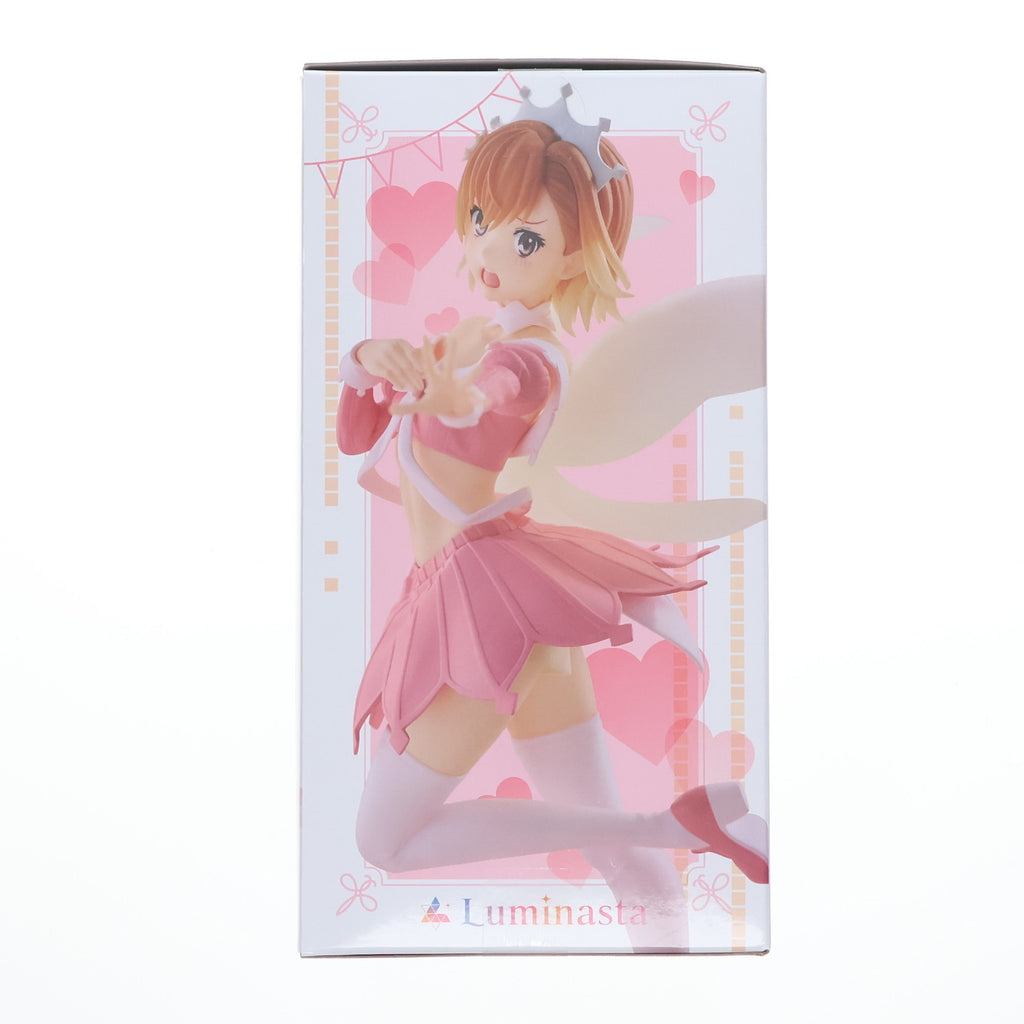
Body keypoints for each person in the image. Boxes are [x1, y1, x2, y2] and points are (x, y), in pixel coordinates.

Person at [336, 88, 767, 950]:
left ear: (575, 256)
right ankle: (673, 959)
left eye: (526, 239)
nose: (491, 251)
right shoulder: (471, 343)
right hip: (509, 612)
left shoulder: (527, 358)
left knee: (382, 842)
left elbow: (498, 396)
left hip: (481, 613)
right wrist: (364, 360)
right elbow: (355, 437)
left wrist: (454, 396)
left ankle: (674, 826)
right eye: (482, 220)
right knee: (622, 865)